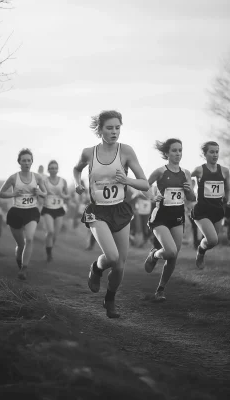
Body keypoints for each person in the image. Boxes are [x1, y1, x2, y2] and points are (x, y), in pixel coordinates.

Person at [73, 110, 149, 318]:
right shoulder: (89, 153)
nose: (114, 131)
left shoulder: (126, 151)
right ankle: (97, 268)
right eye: (110, 128)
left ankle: (110, 299)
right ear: (100, 130)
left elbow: (144, 183)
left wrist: (127, 180)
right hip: (98, 211)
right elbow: (76, 169)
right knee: (113, 257)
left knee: (120, 265)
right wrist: (77, 184)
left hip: (119, 209)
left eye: (117, 127)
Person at [143, 138, 196, 301]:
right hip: (160, 218)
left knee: (173, 256)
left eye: (180, 150)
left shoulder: (186, 173)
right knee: (170, 251)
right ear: (167, 153)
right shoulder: (160, 171)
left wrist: (188, 191)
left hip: (178, 217)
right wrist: (153, 196)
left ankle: (161, 289)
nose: (178, 153)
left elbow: (192, 198)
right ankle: (154, 255)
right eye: (174, 150)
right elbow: (143, 186)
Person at [0, 149, 47, 280]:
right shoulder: (13, 177)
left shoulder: (37, 177)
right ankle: (20, 262)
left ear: (32, 162)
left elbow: (45, 193)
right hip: (16, 212)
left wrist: (39, 192)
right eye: (24, 160)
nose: (26, 163)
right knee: (21, 245)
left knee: (30, 238)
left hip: (31, 211)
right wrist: (13, 194)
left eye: (29, 160)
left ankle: (24, 268)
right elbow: (1, 193)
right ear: (19, 162)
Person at [191, 141, 230, 269]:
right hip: (202, 211)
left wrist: (229, 200)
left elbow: (227, 189)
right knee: (213, 239)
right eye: (211, 152)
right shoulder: (199, 170)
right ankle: (200, 252)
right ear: (205, 154)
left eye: (217, 152)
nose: (215, 155)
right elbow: (186, 177)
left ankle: (201, 249)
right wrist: (189, 189)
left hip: (217, 210)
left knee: (213, 242)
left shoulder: (225, 171)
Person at [41, 160, 70, 262]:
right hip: (48, 208)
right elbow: (40, 194)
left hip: (59, 209)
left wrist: (62, 195)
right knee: (50, 231)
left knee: (55, 234)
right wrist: (45, 193)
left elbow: (68, 196)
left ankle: (49, 247)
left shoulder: (63, 181)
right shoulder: (44, 181)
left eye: (55, 168)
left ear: (58, 169)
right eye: (51, 168)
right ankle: (49, 254)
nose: (53, 170)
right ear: (48, 169)